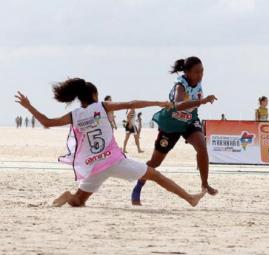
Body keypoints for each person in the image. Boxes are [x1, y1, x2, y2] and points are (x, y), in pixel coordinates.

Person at [14, 78, 206, 207]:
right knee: (155, 175)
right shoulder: (102, 107)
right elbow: (132, 103)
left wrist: (28, 105)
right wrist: (157, 102)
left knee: (78, 201)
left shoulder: (75, 114)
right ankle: (190, 199)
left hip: (94, 166)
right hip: (114, 161)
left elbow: (47, 122)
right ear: (95, 96)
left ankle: (68, 196)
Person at [131, 56, 218, 205]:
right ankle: (138, 187)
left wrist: (198, 103)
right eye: (197, 72)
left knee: (202, 147)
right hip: (171, 125)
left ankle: (204, 183)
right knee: (155, 162)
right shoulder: (180, 85)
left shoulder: (198, 82)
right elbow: (178, 105)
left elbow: (192, 103)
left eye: (202, 71)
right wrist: (201, 101)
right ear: (187, 72)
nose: (200, 75)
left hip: (189, 121)